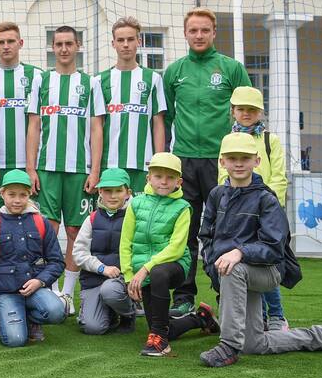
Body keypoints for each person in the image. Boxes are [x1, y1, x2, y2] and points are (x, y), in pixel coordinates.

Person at [198, 133, 322, 367]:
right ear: (222, 162)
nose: (239, 163)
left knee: (232, 269)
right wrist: (212, 266)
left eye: (245, 157)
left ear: (257, 161)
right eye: (232, 158)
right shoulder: (216, 195)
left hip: (267, 271)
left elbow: (274, 249)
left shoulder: (266, 199)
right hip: (234, 273)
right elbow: (206, 237)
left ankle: (228, 346)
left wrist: (239, 252)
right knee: (254, 344)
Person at [163, 8, 251, 317]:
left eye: (204, 30)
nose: (198, 36)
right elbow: (168, 117)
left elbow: (247, 115)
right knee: (185, 232)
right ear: (185, 34)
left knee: (223, 231)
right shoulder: (174, 72)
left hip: (221, 163)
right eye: (193, 31)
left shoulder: (231, 68)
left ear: (214, 33)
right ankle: (184, 295)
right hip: (184, 162)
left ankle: (224, 292)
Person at [24, 25, 104, 314]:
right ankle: (52, 288)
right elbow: (33, 126)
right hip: (46, 168)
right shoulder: (41, 81)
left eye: (69, 43)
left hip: (79, 170)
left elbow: (96, 127)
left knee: (75, 231)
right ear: (53, 47)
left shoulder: (90, 83)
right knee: (47, 230)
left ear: (78, 45)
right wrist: (30, 168)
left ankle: (69, 294)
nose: (64, 49)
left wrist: (95, 170)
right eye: (58, 44)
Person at [119, 152, 218, 358]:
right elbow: (125, 242)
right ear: (148, 178)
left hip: (174, 267)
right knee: (160, 326)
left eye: (170, 177)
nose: (164, 182)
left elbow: (177, 247)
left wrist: (145, 269)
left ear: (179, 181)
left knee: (158, 273)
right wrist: (129, 276)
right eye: (158, 176)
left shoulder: (183, 208)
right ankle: (201, 318)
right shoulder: (135, 204)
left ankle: (161, 344)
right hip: (141, 272)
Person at [217, 86, 289, 330]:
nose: (246, 113)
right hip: (237, 215)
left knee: (264, 262)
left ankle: (277, 316)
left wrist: (270, 208)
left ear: (260, 112)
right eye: (241, 109)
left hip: (266, 214)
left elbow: (279, 177)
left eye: (252, 109)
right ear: (233, 111)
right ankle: (255, 318)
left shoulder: (270, 140)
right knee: (238, 262)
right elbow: (222, 178)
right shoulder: (228, 140)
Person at [0, 169, 67, 347]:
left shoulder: (41, 222)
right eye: (11, 194)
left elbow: (57, 262)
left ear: (30, 194)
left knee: (57, 311)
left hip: (36, 290)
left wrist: (40, 282)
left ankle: (31, 318)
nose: (17, 200)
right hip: (6, 293)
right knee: (15, 340)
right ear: (2, 193)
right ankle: (15, 318)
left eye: (22, 195)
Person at [96, 17, 167, 195]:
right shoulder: (99, 80)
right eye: (120, 40)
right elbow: (96, 126)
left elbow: (158, 122)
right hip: (110, 164)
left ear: (139, 41)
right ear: (113, 43)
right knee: (113, 217)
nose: (125, 44)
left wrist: (158, 163)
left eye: (130, 39)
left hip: (144, 163)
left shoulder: (153, 78)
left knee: (141, 217)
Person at [72, 168, 139, 335]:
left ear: (128, 192)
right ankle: (109, 312)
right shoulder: (92, 218)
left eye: (118, 191)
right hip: (94, 280)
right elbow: (78, 253)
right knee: (93, 327)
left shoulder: (135, 217)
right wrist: (102, 268)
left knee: (110, 291)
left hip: (121, 281)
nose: (113, 196)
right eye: (108, 191)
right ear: (100, 191)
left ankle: (128, 313)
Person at [0, 22, 40, 216]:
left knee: (30, 219)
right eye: (1, 42)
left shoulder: (37, 76)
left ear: (21, 43)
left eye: (10, 41)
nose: (6, 46)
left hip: (28, 164)